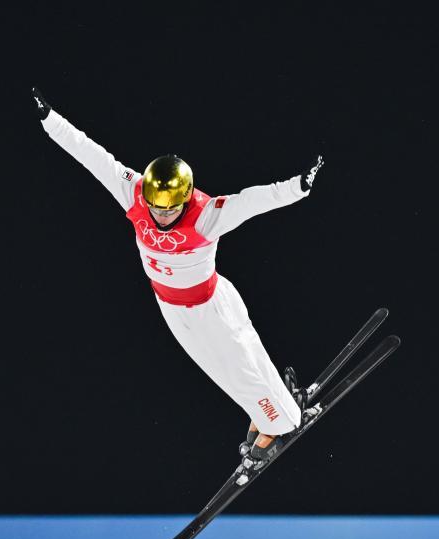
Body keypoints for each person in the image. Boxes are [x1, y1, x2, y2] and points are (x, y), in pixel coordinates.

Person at [32, 87, 324, 462]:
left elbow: (250, 201)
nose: (161, 216)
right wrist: (50, 119)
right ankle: (269, 407)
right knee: (219, 370)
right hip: (171, 307)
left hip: (209, 305)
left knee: (242, 361)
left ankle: (280, 420)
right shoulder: (135, 192)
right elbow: (93, 156)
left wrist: (296, 188)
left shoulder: (205, 214)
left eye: (170, 210)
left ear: (185, 199)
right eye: (156, 208)